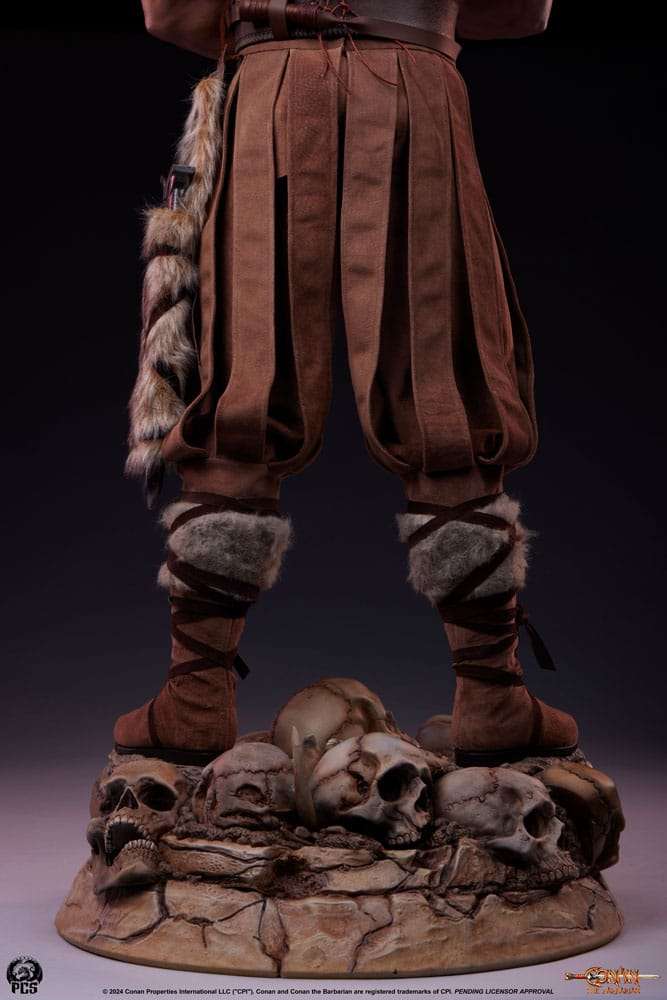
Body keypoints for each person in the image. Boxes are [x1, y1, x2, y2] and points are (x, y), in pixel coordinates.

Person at [116, 0, 578, 767]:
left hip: (269, 92)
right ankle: (492, 697)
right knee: (444, 396)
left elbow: (172, 14)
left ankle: (195, 697)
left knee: (241, 397)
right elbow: (519, 11)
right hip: (411, 88)